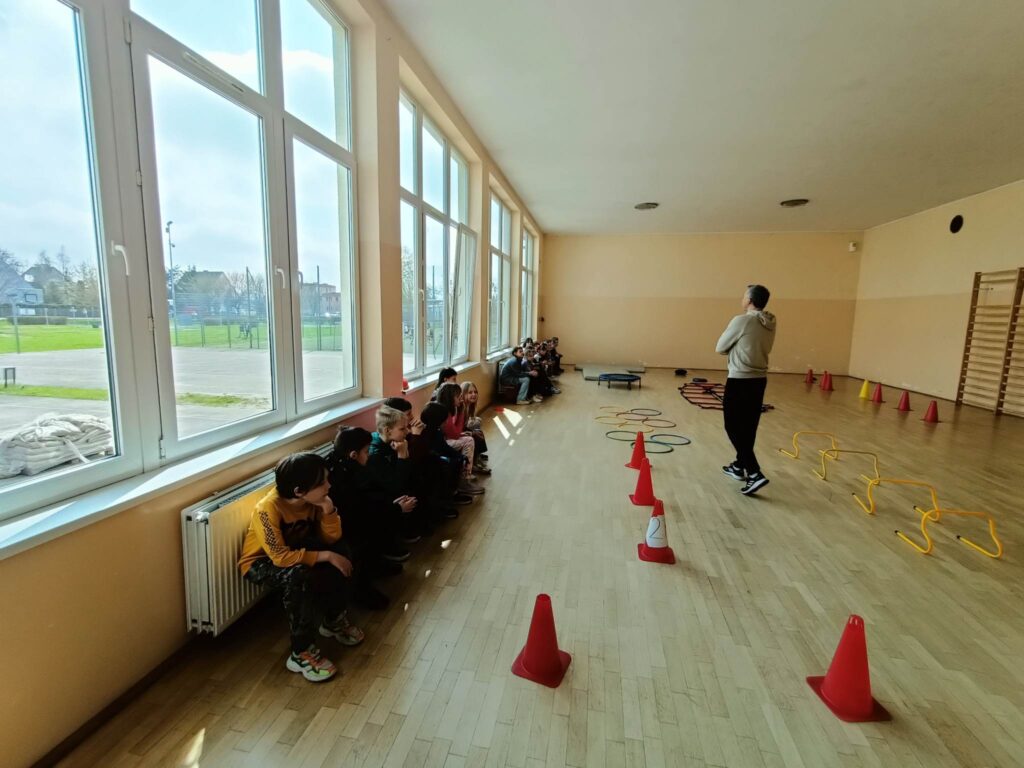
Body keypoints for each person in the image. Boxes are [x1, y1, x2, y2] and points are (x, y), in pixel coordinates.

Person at [238, 451, 364, 683]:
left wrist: (329, 511)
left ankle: (333, 620)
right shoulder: (267, 509)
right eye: (322, 482)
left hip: (296, 550)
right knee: (299, 575)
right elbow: (279, 557)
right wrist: (325, 556)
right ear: (299, 491)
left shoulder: (313, 502)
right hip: (261, 562)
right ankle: (300, 652)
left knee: (343, 551)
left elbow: (331, 539)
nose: (328, 485)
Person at [715, 284, 776, 496]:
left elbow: (720, 347)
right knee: (749, 427)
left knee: (732, 426)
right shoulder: (770, 321)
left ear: (749, 300)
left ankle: (754, 471)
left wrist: (735, 348)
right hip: (760, 380)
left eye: (744, 296)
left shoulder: (742, 321)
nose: (742, 299)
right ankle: (739, 466)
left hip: (740, 379)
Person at [435, 382, 485, 494]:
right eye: (459, 396)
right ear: (450, 398)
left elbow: (455, 432)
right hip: (440, 444)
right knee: (469, 440)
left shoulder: (449, 409)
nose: (461, 399)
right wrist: (462, 411)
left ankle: (469, 470)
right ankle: (464, 480)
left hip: (444, 439)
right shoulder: (445, 412)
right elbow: (455, 434)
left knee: (470, 436)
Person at [460, 381, 491, 475]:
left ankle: (476, 458)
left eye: (475, 392)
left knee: (478, 431)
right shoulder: (462, 407)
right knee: (476, 434)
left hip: (462, 430)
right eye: (470, 392)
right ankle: (473, 465)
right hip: (457, 433)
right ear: (463, 394)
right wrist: (472, 432)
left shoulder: (469, 406)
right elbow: (460, 428)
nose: (474, 394)